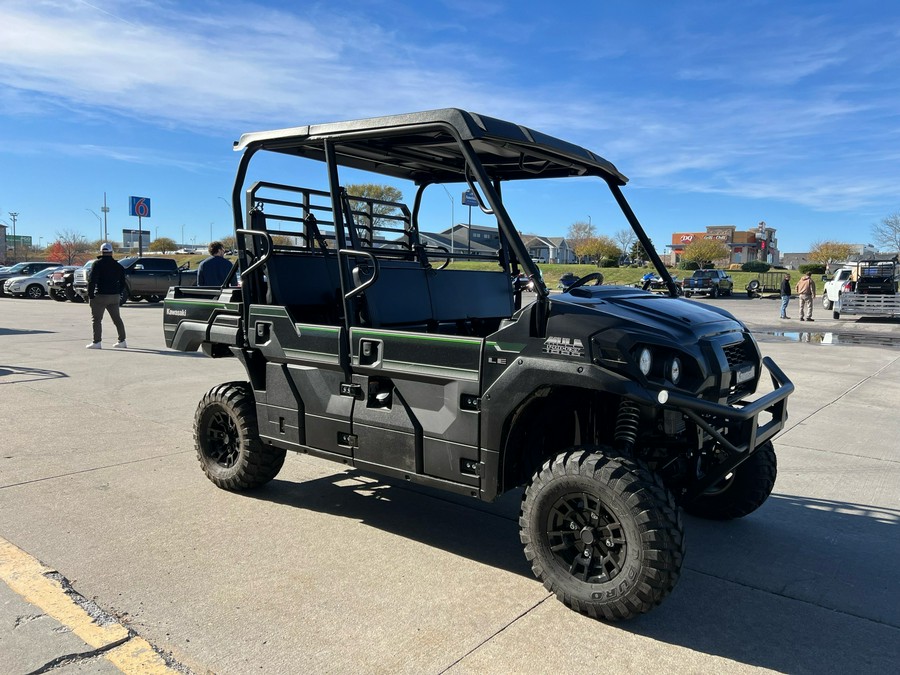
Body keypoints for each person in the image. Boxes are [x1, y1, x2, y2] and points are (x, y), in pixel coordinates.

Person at [86, 242, 127, 349]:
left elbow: (92, 281)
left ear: (101, 251)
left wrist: (90, 295)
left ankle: (97, 342)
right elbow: (123, 282)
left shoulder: (97, 264)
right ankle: (122, 341)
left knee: (97, 320)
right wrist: (119, 292)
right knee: (117, 319)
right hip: (114, 296)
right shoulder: (118, 266)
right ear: (111, 252)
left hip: (100, 296)